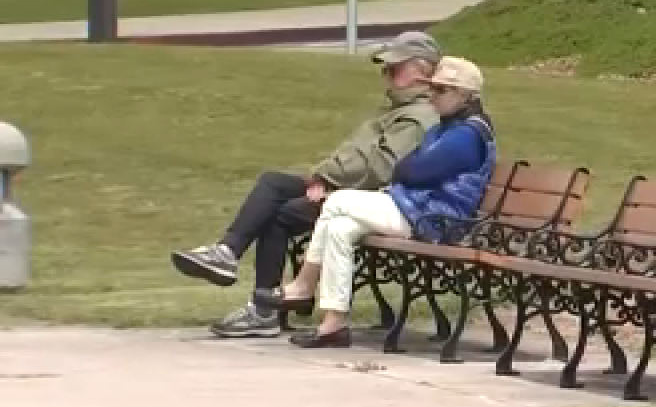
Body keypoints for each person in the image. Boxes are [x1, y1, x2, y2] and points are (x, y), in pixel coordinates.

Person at [169, 33, 445, 337]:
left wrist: (328, 180)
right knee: (273, 183)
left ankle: (262, 310)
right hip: (345, 186)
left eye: (393, 68)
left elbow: (381, 168)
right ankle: (227, 253)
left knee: (281, 214)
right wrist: (324, 177)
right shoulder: (396, 109)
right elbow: (357, 155)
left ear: (422, 72)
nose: (385, 74)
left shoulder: (419, 117)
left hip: (371, 200)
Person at [257, 57, 496, 349]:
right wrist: (411, 169)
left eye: (441, 90)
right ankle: (333, 324)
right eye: (432, 89)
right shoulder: (443, 129)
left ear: (465, 96)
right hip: (413, 208)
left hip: (436, 220)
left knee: (338, 200)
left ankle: (303, 286)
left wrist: (411, 169)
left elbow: (413, 171)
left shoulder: (468, 135)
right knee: (339, 229)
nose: (432, 95)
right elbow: (406, 169)